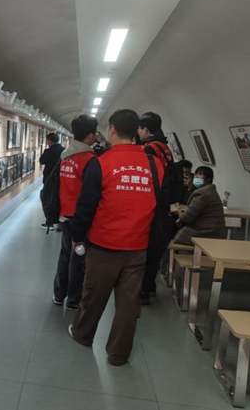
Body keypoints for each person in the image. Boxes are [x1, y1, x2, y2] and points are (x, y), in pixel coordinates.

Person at [68, 109, 164, 365]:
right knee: (128, 304)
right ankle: (118, 354)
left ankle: (82, 335)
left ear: (111, 130)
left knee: (93, 295)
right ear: (136, 132)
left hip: (104, 244)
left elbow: (86, 205)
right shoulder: (154, 164)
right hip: (138, 246)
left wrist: (78, 235)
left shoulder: (100, 163)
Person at [52, 115, 97, 310]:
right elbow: (90, 194)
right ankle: (73, 299)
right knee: (78, 258)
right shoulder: (89, 160)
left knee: (65, 254)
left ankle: (58, 294)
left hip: (64, 214)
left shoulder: (65, 156)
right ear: (89, 136)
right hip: (79, 217)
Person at [137, 112, 177, 304]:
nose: (138, 132)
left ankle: (143, 289)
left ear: (146, 129)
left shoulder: (149, 149)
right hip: (164, 204)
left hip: (152, 203)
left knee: (146, 247)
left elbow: (148, 178)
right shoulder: (166, 148)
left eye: (139, 129)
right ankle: (150, 285)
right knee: (155, 246)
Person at [173, 166, 227, 245]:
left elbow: (187, 217)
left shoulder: (202, 193)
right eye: (195, 174)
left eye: (200, 175)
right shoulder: (209, 190)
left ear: (208, 178)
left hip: (206, 233)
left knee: (171, 230)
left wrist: (179, 215)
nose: (196, 177)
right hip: (213, 231)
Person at [39, 132, 65, 229]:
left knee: (48, 200)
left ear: (50, 141)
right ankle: (60, 222)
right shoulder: (64, 150)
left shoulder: (48, 151)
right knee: (59, 199)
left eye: (47, 140)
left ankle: (49, 222)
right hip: (61, 178)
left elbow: (42, 161)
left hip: (49, 179)